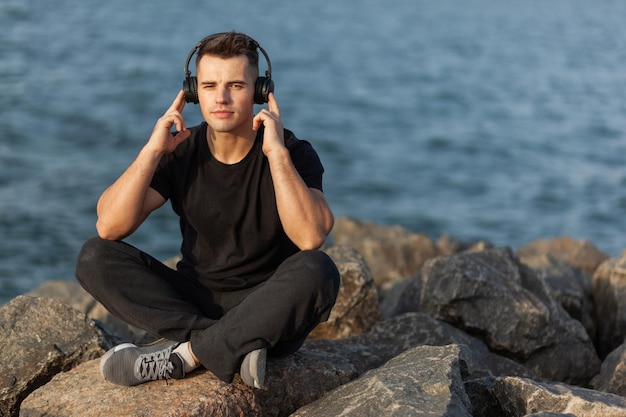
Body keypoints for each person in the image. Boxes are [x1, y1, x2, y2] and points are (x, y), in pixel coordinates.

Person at [75, 31, 340, 389]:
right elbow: (109, 226)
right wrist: (153, 151)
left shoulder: (292, 152)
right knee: (94, 257)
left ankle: (185, 356)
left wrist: (276, 155)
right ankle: (235, 347)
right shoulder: (181, 151)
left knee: (318, 269)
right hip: (193, 301)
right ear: (192, 92)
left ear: (261, 91)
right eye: (210, 85)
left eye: (236, 85)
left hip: (267, 308)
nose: (222, 97)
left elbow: (310, 236)